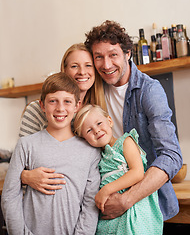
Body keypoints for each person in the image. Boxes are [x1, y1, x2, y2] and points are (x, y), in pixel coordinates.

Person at [84, 20, 183, 222]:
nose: (106, 64)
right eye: (99, 57)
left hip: (148, 205)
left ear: (128, 53)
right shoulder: (94, 91)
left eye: (113, 55)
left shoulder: (149, 90)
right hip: (106, 208)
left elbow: (172, 156)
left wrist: (126, 199)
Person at [1, 73, 101, 235]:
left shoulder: (90, 151)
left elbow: (90, 204)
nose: (60, 108)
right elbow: (9, 197)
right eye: (53, 101)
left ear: (77, 106)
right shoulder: (26, 145)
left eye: (67, 101)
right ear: (42, 105)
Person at [20, 43, 106, 195]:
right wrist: (25, 176)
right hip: (38, 200)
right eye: (74, 66)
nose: (82, 72)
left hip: (80, 202)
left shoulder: (95, 115)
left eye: (88, 65)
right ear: (64, 71)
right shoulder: (36, 110)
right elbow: (19, 164)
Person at [73, 104, 163, 235]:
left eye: (99, 123)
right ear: (83, 139)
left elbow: (137, 173)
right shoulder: (98, 158)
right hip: (111, 216)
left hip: (134, 208)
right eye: (88, 131)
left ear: (109, 121)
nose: (96, 131)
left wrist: (106, 190)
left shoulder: (125, 142)